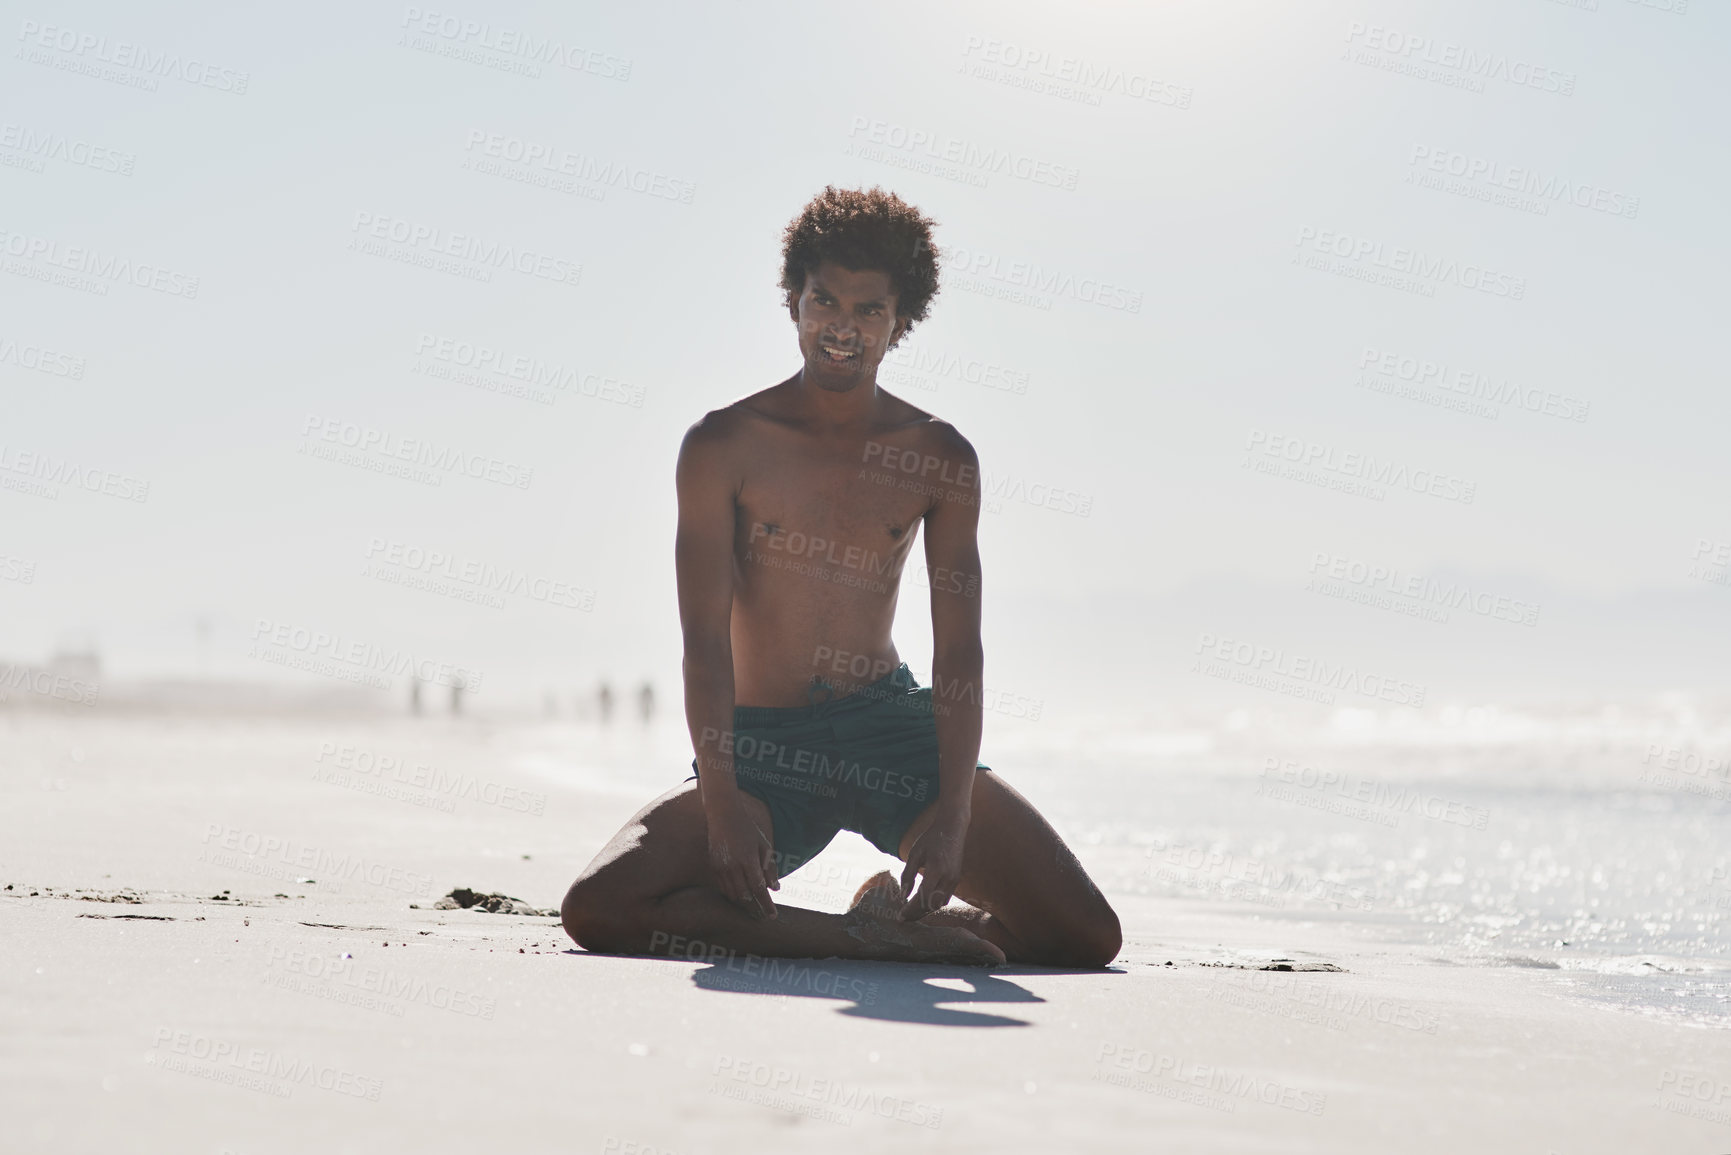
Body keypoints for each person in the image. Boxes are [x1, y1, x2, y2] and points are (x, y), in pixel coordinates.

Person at [561, 187, 1120, 967]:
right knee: (601, 907)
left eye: (868, 310)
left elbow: (960, 651)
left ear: (901, 322)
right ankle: (858, 935)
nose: (841, 327)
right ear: (792, 301)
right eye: (824, 300)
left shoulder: (938, 456)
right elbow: (702, 643)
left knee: (1086, 936)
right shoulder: (723, 444)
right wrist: (721, 803)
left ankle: (907, 929)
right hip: (763, 749)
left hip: (891, 733)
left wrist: (953, 811)